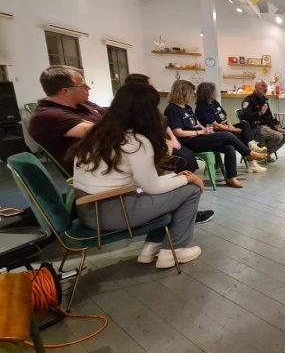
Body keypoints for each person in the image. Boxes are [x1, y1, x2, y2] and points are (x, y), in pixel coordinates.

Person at [70, 84, 204, 269]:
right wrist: (188, 179)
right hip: (114, 213)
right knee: (191, 190)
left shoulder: (97, 133)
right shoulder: (135, 140)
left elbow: (139, 182)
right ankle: (174, 251)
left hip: (89, 212)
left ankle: (152, 247)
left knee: (175, 188)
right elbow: (152, 187)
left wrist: (176, 178)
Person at [164, 80, 266, 188]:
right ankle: (249, 153)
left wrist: (204, 129)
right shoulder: (172, 109)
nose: (193, 95)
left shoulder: (187, 107)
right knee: (227, 135)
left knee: (229, 147)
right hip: (189, 141)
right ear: (183, 92)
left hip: (200, 136)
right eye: (191, 92)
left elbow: (196, 122)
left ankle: (231, 178)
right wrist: (200, 132)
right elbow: (178, 132)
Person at [28, 65, 105, 174]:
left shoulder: (84, 104)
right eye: (83, 85)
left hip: (111, 160)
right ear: (66, 91)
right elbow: (104, 132)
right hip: (93, 173)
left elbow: (115, 117)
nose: (88, 88)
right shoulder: (46, 117)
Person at [194, 82, 267, 173]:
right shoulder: (201, 108)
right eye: (213, 91)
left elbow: (225, 115)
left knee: (244, 125)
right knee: (241, 136)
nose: (215, 93)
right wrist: (230, 129)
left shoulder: (214, 102)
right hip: (216, 132)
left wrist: (231, 126)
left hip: (226, 128)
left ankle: (252, 147)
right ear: (207, 93)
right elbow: (214, 125)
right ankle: (252, 161)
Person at [241, 81, 285, 160]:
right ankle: (258, 154)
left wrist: (275, 123)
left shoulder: (264, 100)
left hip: (267, 126)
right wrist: (260, 113)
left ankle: (264, 155)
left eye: (266, 87)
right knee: (278, 136)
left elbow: (269, 116)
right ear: (256, 87)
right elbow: (245, 116)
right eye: (262, 86)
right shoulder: (249, 100)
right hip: (256, 128)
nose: (265, 88)